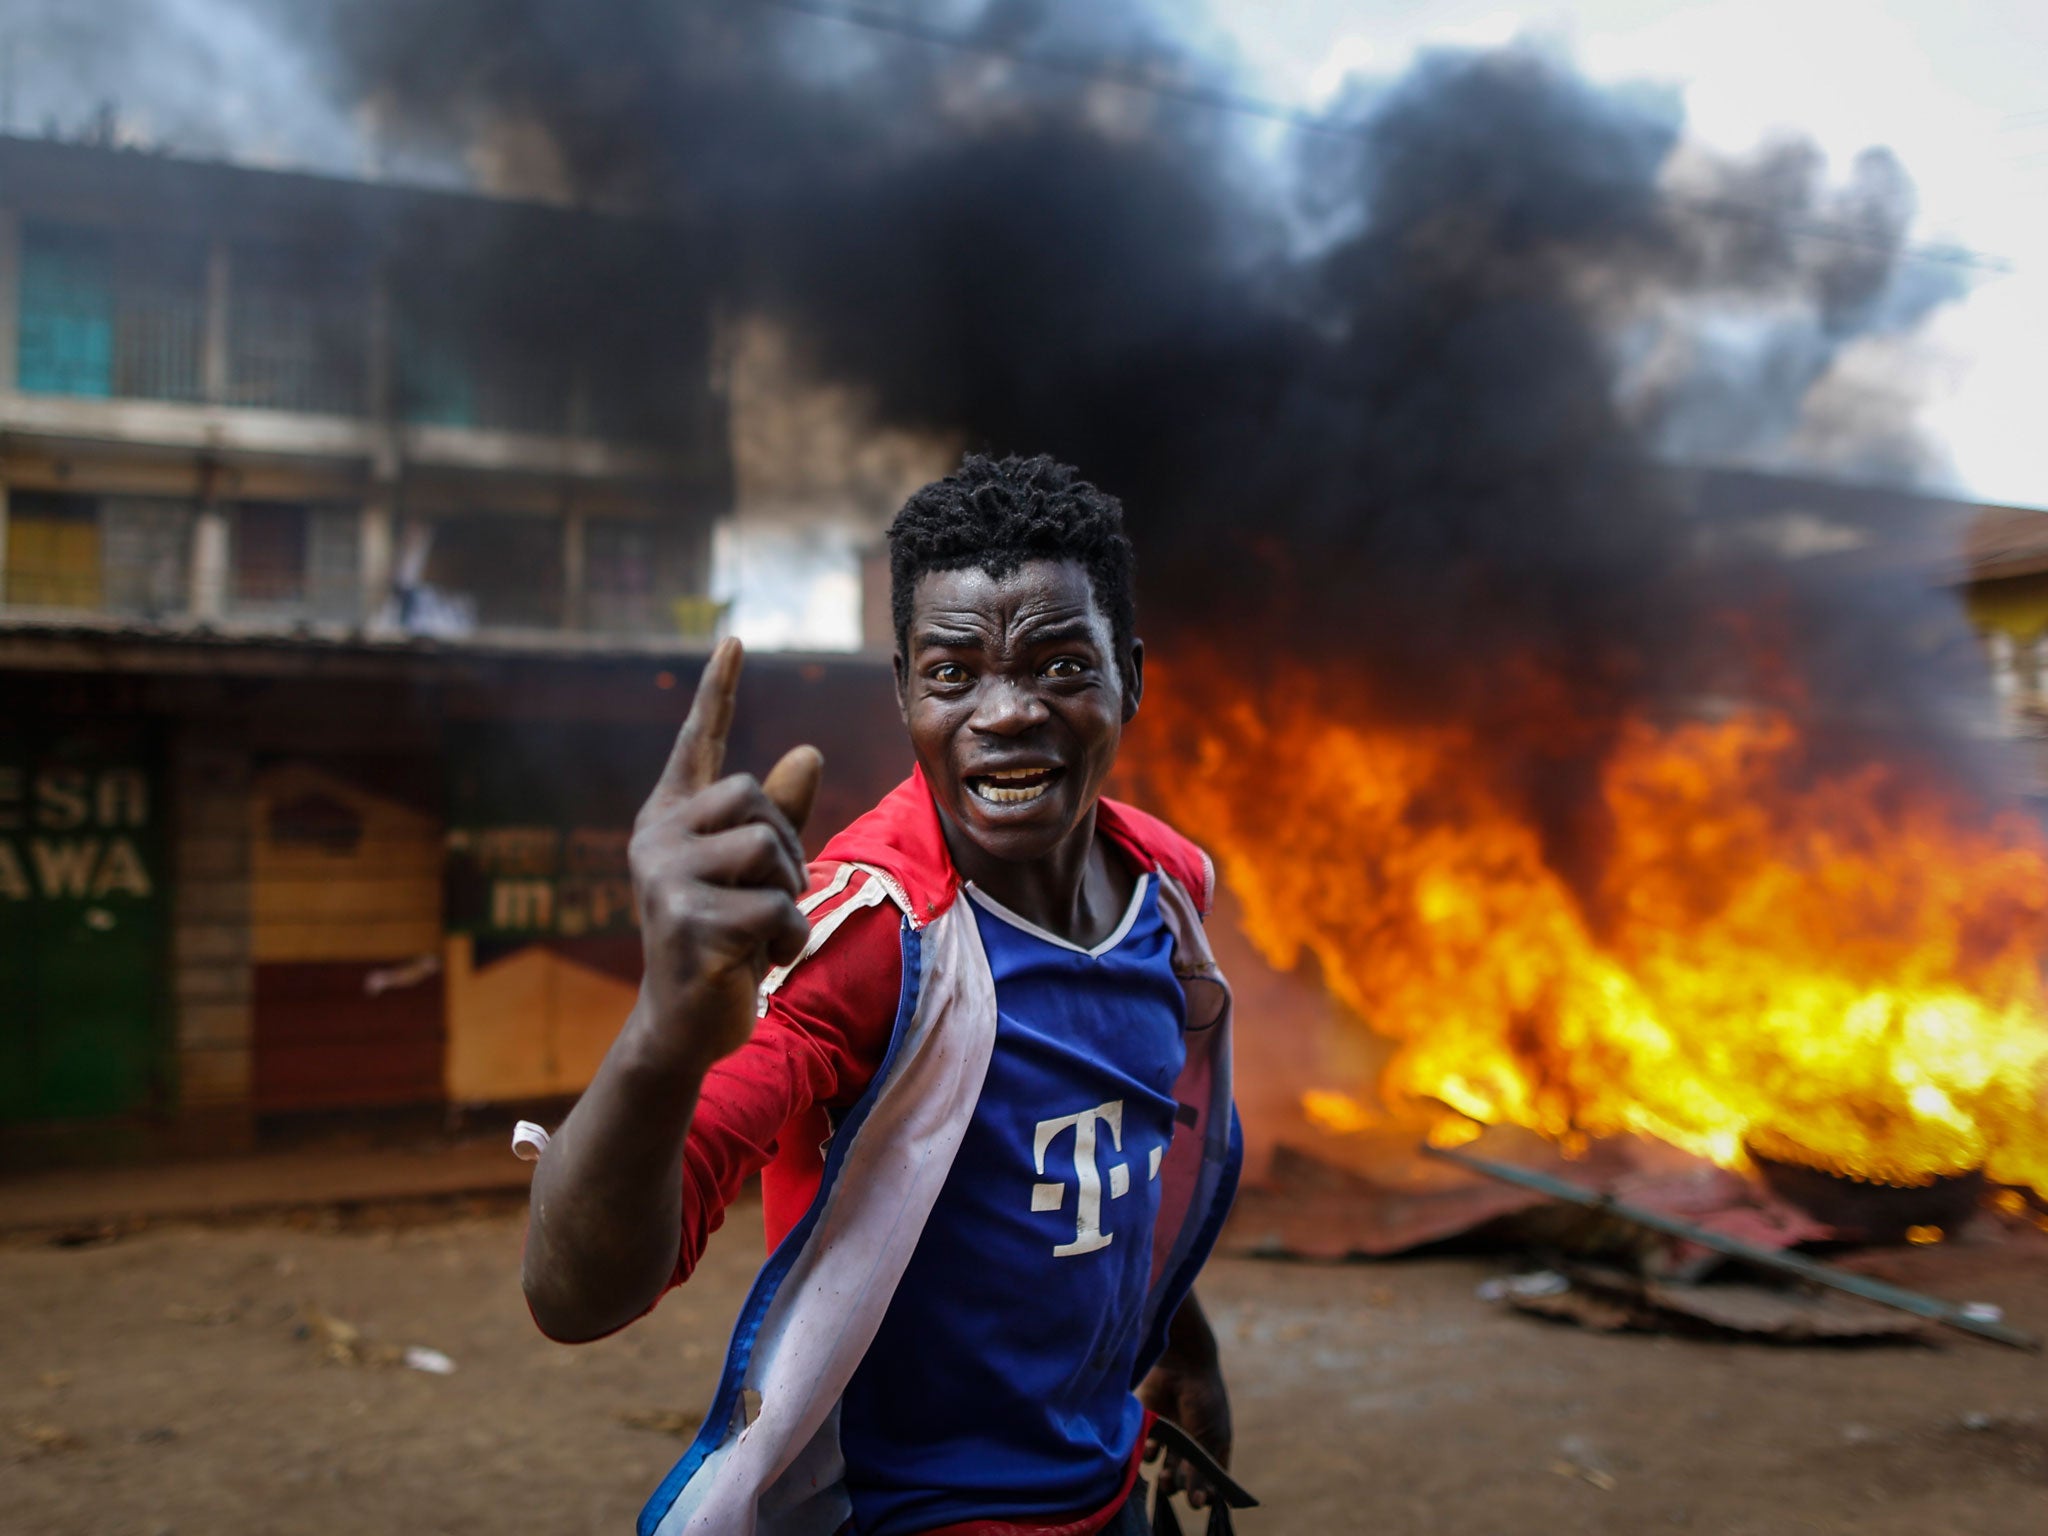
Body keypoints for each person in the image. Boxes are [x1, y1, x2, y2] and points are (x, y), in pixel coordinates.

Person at [522, 454, 1244, 1536]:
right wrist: (662, 1034)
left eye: (1056, 665)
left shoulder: (1164, 889)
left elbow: (1119, 1157)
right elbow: (573, 1297)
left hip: (1107, 1495)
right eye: (953, 674)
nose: (1004, 713)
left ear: (1127, 678)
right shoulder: (862, 940)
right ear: (904, 690)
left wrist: (1181, 1342)